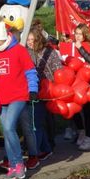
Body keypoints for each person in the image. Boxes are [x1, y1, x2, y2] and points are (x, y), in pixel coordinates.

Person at [0, 17, 38, 179]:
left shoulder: (19, 51)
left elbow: (30, 71)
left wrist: (33, 89)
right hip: (1, 98)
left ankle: (19, 163)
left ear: (5, 36)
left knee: (8, 127)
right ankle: (13, 166)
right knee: (7, 133)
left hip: (18, 96)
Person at [26, 25, 62, 158]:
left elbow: (58, 68)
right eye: (28, 39)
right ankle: (43, 146)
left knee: (48, 118)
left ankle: (49, 144)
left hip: (48, 89)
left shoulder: (48, 51)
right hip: (34, 90)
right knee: (37, 120)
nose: (30, 42)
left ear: (39, 39)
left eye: (33, 39)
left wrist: (55, 83)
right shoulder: (27, 52)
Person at [72, 23, 90, 151]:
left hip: (87, 82)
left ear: (85, 35)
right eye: (76, 33)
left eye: (80, 34)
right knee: (74, 109)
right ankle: (81, 131)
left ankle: (88, 137)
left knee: (87, 111)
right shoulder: (72, 45)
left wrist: (80, 48)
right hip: (74, 82)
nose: (77, 36)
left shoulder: (89, 45)